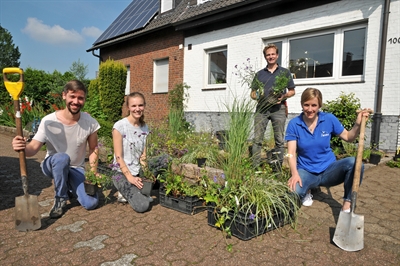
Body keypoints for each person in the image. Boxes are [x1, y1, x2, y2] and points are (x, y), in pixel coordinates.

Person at [11, 80, 100, 218]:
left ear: (84, 99)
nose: (76, 101)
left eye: (80, 98)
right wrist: (21, 147)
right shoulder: (49, 121)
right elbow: (32, 149)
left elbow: (94, 147)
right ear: (64, 96)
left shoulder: (90, 123)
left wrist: (93, 172)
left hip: (76, 169)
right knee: (62, 158)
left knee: (91, 203)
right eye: (72, 96)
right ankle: (60, 198)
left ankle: (69, 185)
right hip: (52, 165)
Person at [285, 88, 371, 211]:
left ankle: (347, 203)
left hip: (329, 170)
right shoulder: (294, 124)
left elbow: (348, 137)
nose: (310, 109)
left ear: (319, 105)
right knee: (294, 193)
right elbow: (291, 153)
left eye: (314, 105)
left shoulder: (329, 119)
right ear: (301, 104)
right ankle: (307, 189)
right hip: (306, 170)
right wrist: (294, 174)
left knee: (355, 163)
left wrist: (357, 124)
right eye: (306, 105)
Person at [251, 43, 295, 167]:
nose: (270, 56)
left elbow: (292, 91)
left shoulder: (285, 72)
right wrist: (258, 96)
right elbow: (252, 93)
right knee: (257, 140)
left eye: (273, 54)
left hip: (278, 109)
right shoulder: (259, 74)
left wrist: (284, 96)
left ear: (277, 55)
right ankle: (255, 167)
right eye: (268, 55)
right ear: (265, 57)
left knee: (279, 140)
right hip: (262, 109)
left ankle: (277, 168)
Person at [112, 92, 153, 213]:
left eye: (140, 105)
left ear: (144, 106)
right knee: (143, 205)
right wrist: (130, 177)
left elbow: (143, 155)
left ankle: (138, 189)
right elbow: (118, 157)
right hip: (121, 173)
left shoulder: (144, 127)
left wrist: (147, 175)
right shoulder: (120, 126)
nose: (137, 109)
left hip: (137, 170)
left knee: (164, 159)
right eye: (134, 106)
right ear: (128, 107)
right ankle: (125, 190)